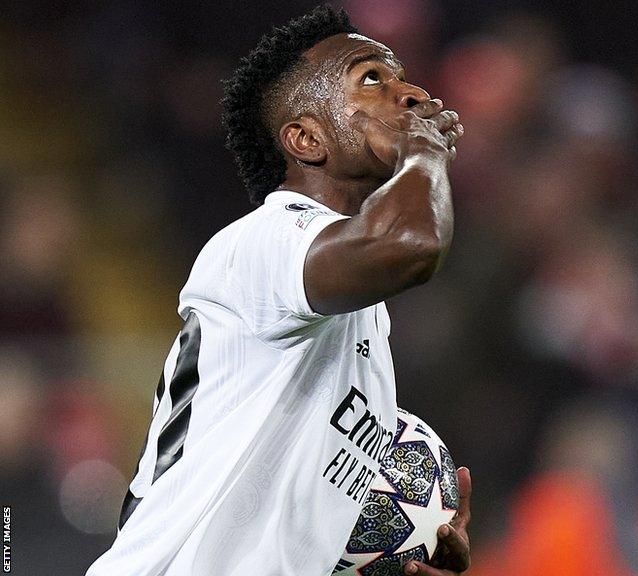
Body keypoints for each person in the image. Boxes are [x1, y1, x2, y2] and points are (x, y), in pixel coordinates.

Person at [86, 5, 471, 575]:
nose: (411, 92)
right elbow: (413, 244)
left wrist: (397, 552)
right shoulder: (263, 244)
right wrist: (426, 148)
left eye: (401, 76)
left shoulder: (359, 312)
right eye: (372, 78)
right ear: (307, 138)